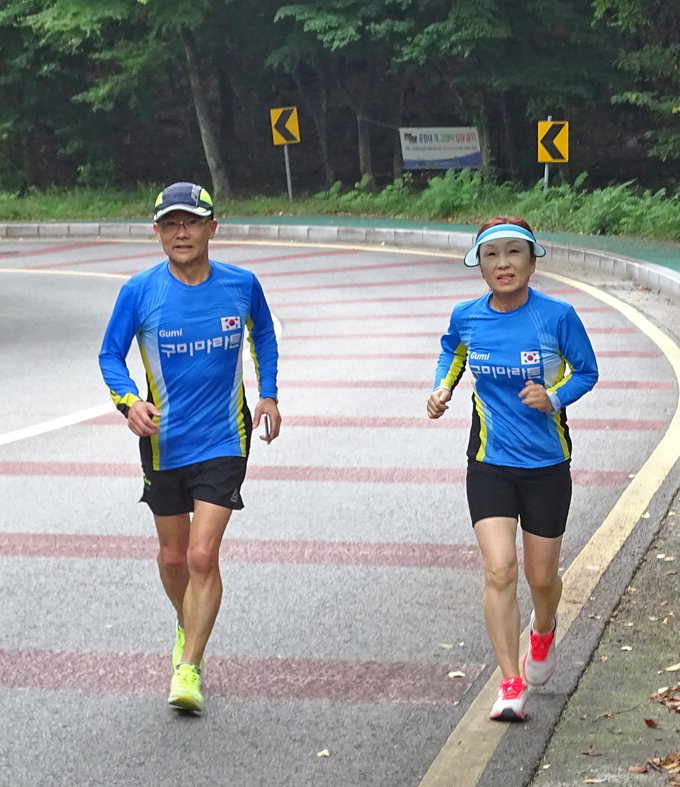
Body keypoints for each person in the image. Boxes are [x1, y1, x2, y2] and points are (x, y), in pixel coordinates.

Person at [98, 181, 281, 714]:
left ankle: (189, 667)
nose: (182, 232)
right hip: (164, 443)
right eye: (171, 223)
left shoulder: (241, 285)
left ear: (212, 229)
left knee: (203, 554)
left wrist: (267, 392)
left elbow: (264, 334)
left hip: (226, 436)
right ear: (157, 232)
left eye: (193, 222)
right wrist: (129, 402)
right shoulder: (139, 291)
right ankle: (187, 624)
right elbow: (110, 355)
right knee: (174, 556)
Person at [427, 217, 598, 722]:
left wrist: (554, 397)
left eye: (514, 253)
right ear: (478, 264)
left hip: (547, 464)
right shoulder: (467, 316)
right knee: (499, 569)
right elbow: (451, 352)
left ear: (531, 259)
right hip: (489, 463)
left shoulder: (557, 316)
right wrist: (441, 389)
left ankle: (542, 631)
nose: (503, 264)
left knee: (541, 577)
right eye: (491, 255)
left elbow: (587, 370)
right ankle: (509, 681)